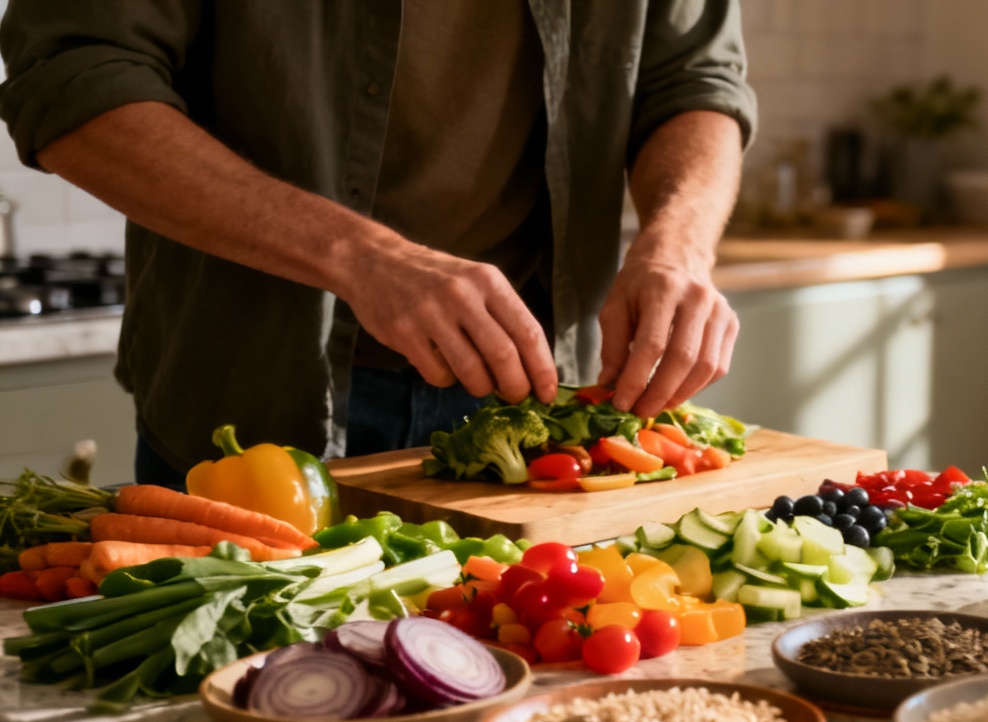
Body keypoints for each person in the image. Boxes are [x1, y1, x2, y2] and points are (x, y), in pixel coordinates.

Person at [0, 1, 756, 487]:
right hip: (255, 404)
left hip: (536, 408)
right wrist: (360, 257)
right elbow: (70, 81)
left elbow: (694, 75)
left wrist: (677, 246)